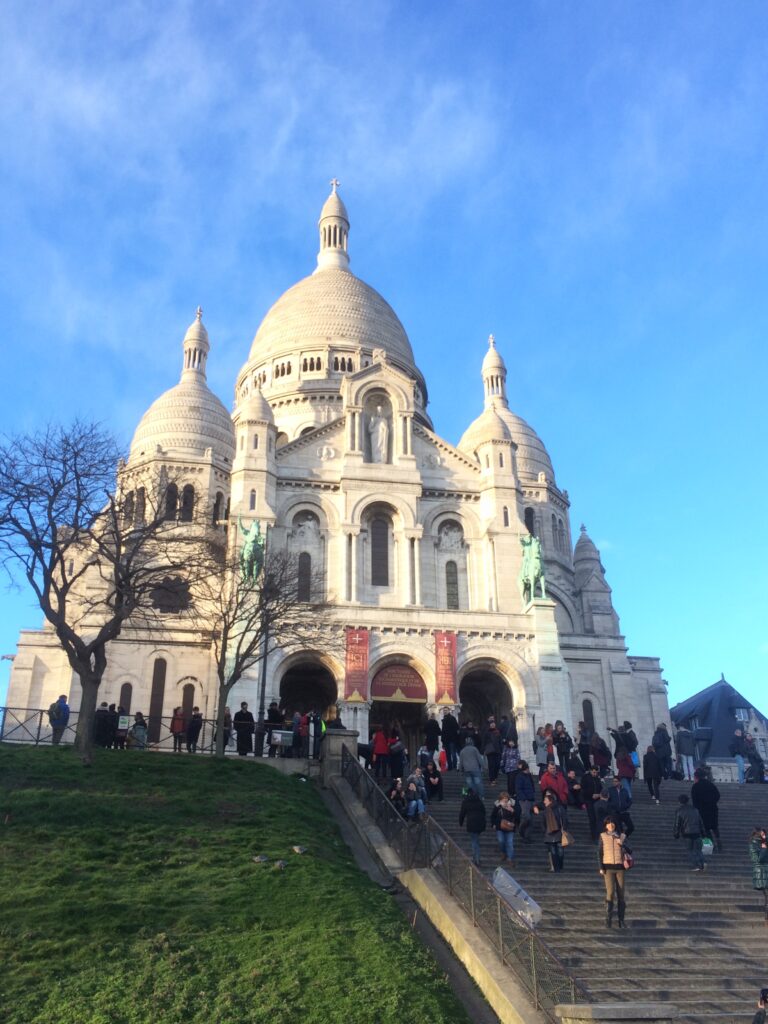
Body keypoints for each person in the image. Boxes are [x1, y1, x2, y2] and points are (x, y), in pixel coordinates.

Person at [598, 816, 628, 929]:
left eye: (613, 823)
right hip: (608, 868)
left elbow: (630, 850)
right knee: (610, 893)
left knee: (621, 894)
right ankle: (608, 919)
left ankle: (621, 920)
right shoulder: (602, 836)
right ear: (605, 825)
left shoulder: (622, 835)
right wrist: (601, 867)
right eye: (609, 823)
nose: (611, 825)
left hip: (620, 868)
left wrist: (622, 844)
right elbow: (599, 852)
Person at [533, 791, 567, 872]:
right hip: (549, 834)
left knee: (560, 851)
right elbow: (543, 822)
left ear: (550, 800)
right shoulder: (545, 810)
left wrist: (564, 829)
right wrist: (545, 830)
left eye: (545, 800)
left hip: (559, 833)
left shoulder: (559, 808)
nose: (544, 801)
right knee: (553, 852)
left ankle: (559, 866)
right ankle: (556, 868)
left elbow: (565, 819)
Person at [691, 770, 722, 851]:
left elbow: (694, 801)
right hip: (713, 809)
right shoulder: (710, 785)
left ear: (696, 777)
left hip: (702, 811)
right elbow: (717, 795)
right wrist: (712, 802)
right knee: (714, 827)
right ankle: (719, 842)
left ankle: (709, 847)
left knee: (705, 830)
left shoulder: (695, 787)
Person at [673, 794, 705, 871]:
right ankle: (703, 863)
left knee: (690, 850)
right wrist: (703, 832)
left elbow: (677, 824)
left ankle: (696, 865)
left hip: (686, 833)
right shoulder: (695, 809)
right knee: (698, 849)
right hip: (697, 832)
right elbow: (700, 822)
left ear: (679, 801)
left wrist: (676, 834)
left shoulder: (679, 811)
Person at [459, 787, 487, 866]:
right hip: (480, 823)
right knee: (476, 841)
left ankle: (476, 859)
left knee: (474, 841)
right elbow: (484, 812)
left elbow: (462, 814)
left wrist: (460, 823)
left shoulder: (466, 802)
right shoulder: (479, 801)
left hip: (471, 823)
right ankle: (477, 859)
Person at [748, 828, 768, 926]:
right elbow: (758, 859)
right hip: (762, 874)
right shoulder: (753, 845)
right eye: (762, 835)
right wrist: (764, 848)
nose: (764, 837)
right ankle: (767, 920)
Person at [491, 791, 516, 864]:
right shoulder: (497, 806)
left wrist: (513, 811)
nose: (505, 801)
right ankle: (503, 852)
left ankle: (510, 858)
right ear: (500, 800)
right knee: (501, 841)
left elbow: (517, 817)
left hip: (510, 827)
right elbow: (493, 816)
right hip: (499, 827)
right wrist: (493, 824)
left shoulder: (512, 805)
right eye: (503, 799)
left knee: (510, 842)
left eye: (506, 799)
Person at [581, 764, 604, 842]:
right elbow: (583, 789)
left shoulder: (597, 778)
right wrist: (591, 795)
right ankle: (594, 836)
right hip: (589, 800)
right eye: (593, 772)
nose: (595, 774)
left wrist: (599, 794)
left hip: (597, 800)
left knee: (598, 818)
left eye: (596, 772)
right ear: (591, 771)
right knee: (592, 818)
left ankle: (597, 835)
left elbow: (600, 788)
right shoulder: (585, 778)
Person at [514, 760, 535, 842]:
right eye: (527, 769)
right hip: (524, 800)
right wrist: (524, 798)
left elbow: (532, 786)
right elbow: (518, 789)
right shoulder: (519, 776)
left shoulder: (529, 776)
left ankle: (527, 836)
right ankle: (521, 830)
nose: (528, 770)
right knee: (527, 817)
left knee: (531, 820)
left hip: (531, 799)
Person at [482, 718, 503, 785]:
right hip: (490, 751)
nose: (493, 725)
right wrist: (483, 749)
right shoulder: (487, 732)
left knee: (497, 765)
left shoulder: (498, 732)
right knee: (491, 765)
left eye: (493, 723)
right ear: (489, 725)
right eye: (491, 723)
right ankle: (492, 779)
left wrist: (501, 750)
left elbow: (500, 741)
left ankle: (495, 777)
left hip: (497, 751)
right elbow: (484, 742)